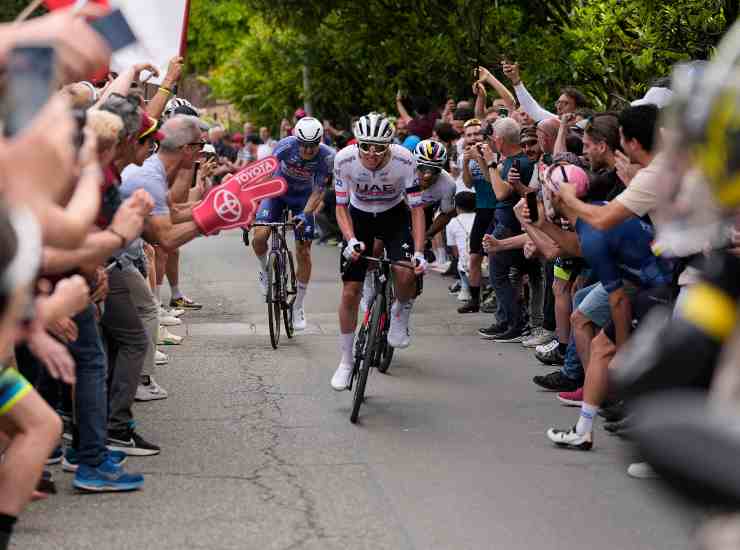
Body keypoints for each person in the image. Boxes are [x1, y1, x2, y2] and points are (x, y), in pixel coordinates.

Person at [330, 112, 427, 391]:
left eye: (379, 148)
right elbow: (339, 206)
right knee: (350, 291)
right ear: (357, 143)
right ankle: (346, 361)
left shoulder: (405, 160)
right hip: (359, 218)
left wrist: (419, 251)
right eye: (366, 146)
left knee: (406, 272)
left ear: (389, 145)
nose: (372, 154)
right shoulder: (344, 160)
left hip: (394, 216)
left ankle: (400, 311)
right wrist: (349, 240)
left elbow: (417, 208)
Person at [251, 117, 334, 331]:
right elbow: (266, 175)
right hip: (277, 193)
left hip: (304, 200)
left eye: (312, 145)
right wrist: (252, 204)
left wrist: (304, 215)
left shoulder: (327, 157)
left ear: (320, 141)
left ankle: (298, 304)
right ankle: (264, 271)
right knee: (259, 236)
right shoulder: (285, 146)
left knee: (303, 250)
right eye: (303, 145)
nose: (307, 150)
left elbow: (318, 192)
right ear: (297, 141)